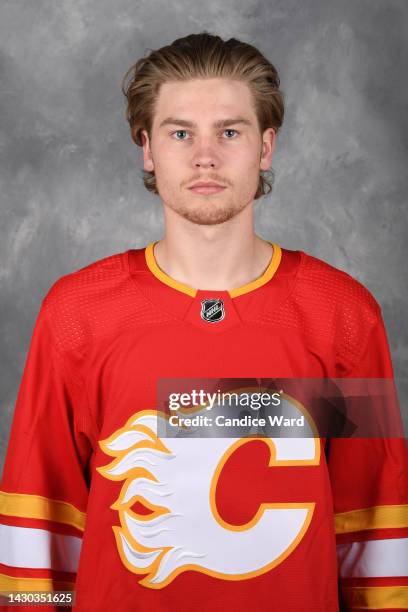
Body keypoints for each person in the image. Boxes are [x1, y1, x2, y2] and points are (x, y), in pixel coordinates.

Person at [0, 32, 407, 612]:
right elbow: (39, 524)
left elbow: (374, 523)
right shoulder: (76, 314)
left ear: (266, 146)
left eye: (230, 131)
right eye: (180, 132)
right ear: (148, 148)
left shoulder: (345, 316)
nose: (205, 156)